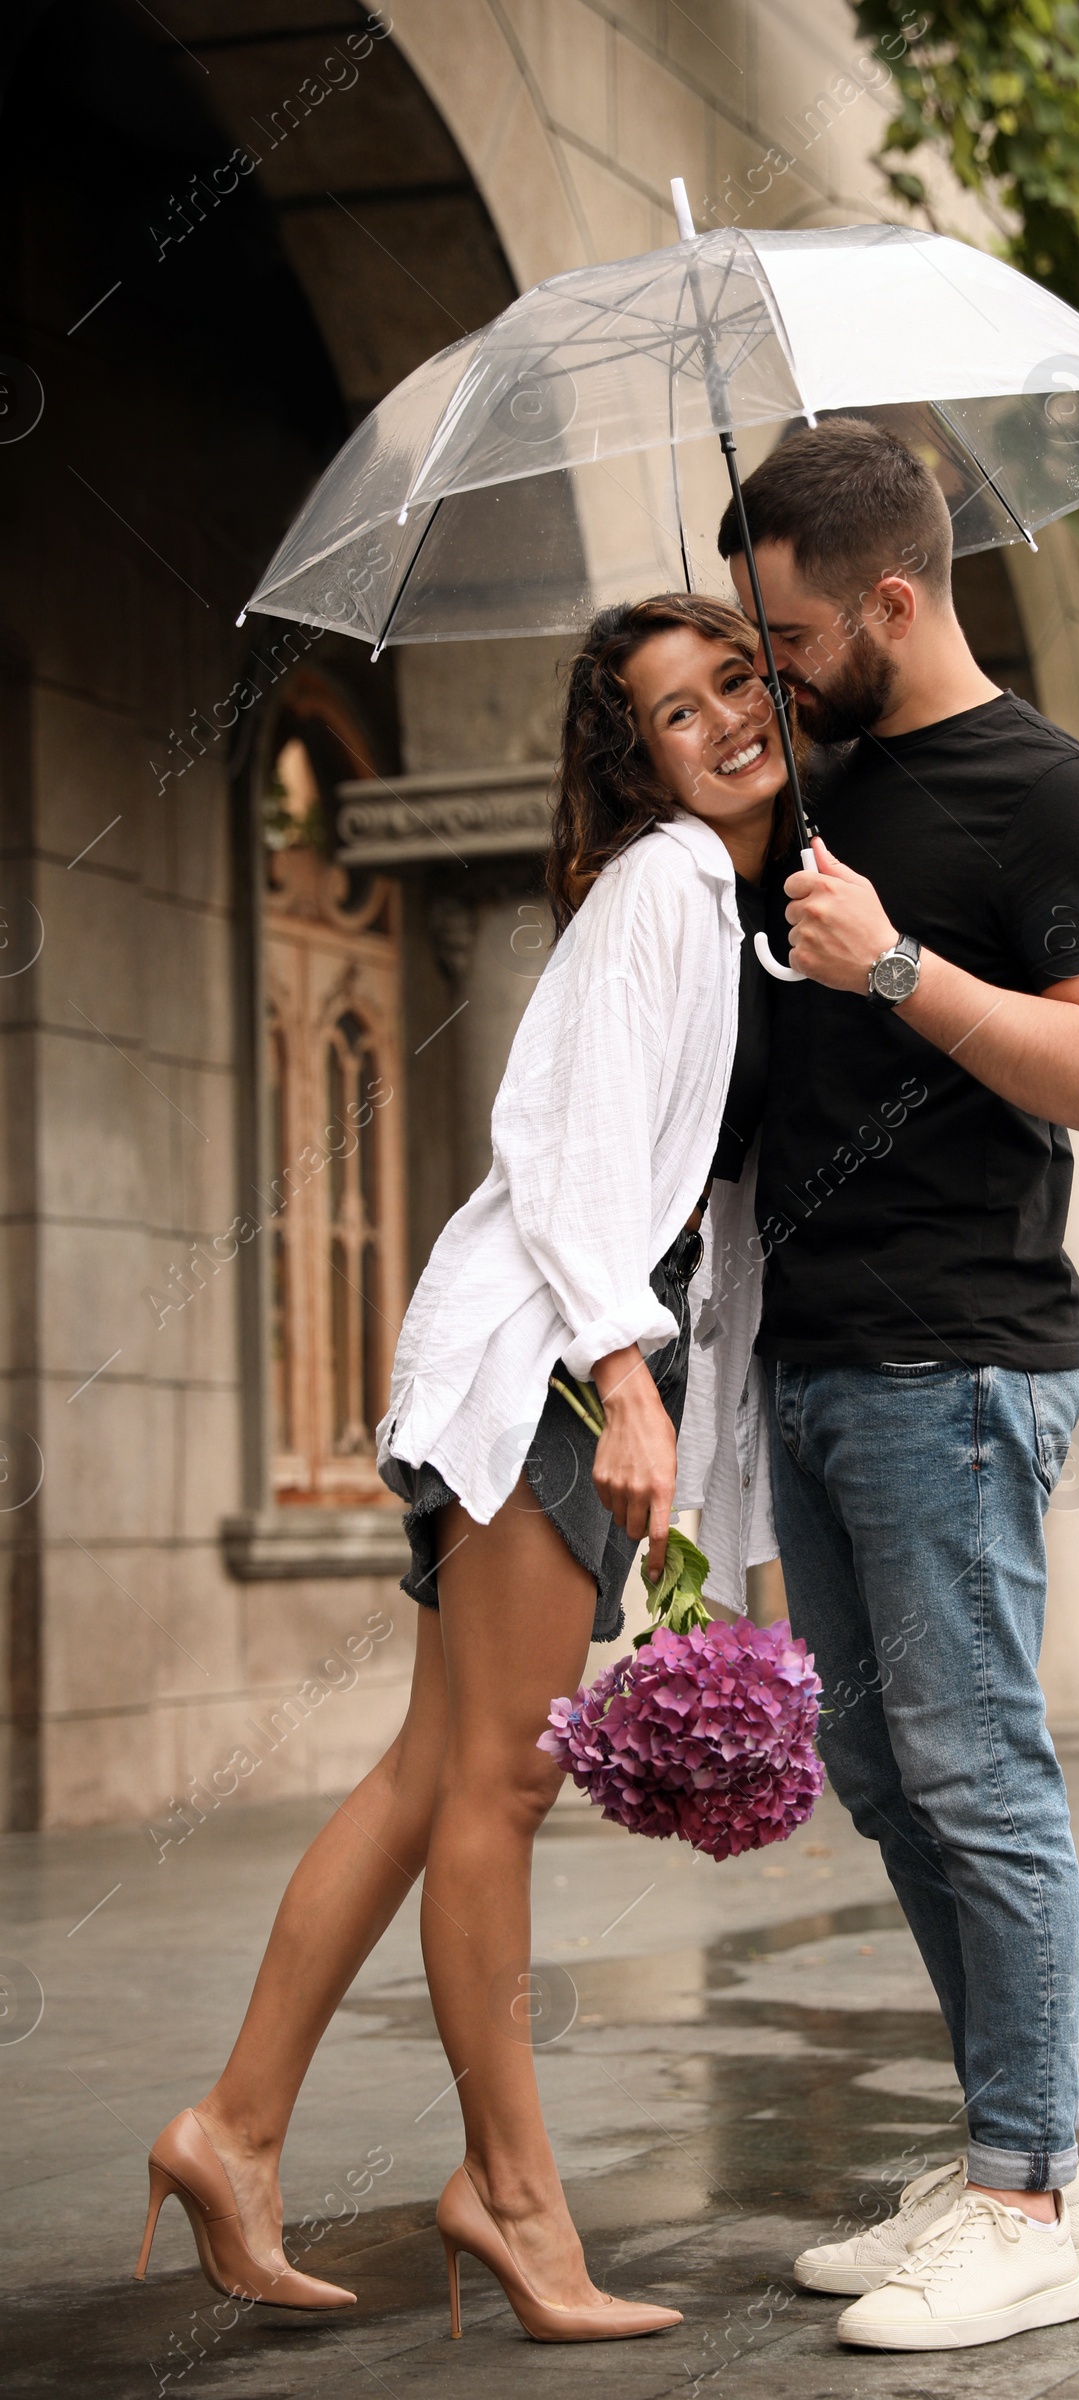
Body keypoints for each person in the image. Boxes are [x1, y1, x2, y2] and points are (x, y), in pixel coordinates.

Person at [134, 594, 787, 2345]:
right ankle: (509, 2198)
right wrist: (629, 1383)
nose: (725, 720)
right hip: (549, 1374)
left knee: (438, 1775)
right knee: (495, 1789)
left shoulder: (734, 902)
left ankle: (234, 2129)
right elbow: (562, 1152)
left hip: (542, 1366)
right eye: (675, 712)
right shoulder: (671, 884)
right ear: (633, 760)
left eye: (740, 680)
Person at [717, 418, 1079, 2352]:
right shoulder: (815, 790)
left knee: (979, 1776)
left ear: (894, 597)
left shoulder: (1049, 792)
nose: (773, 665)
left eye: (792, 632)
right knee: (887, 1778)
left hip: (953, 1358)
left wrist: (895, 963)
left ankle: (1024, 2188)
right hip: (809, 1358)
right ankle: (1021, 2155)